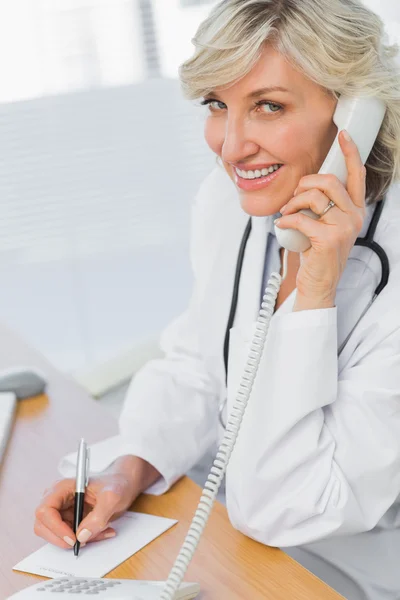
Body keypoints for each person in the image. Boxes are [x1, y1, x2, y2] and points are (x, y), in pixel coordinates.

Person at [34, 1, 400, 598]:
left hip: (351, 565)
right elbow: (201, 365)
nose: (230, 149)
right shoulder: (233, 200)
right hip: (237, 527)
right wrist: (130, 467)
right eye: (217, 106)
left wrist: (312, 289)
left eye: (269, 106)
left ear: (357, 114)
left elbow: (288, 508)